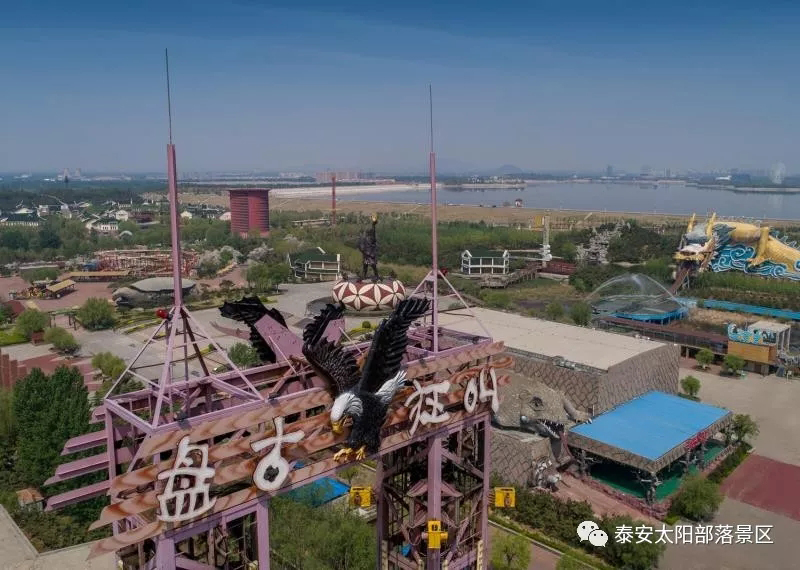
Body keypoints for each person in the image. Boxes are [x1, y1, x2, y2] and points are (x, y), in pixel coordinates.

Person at [358, 214, 380, 280]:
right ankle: (364, 276)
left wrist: (373, 225)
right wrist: (363, 251)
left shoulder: (372, 238)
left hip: (370, 255)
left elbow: (373, 231)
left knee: (373, 266)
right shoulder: (364, 239)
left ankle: (376, 275)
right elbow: (361, 246)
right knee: (365, 266)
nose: (368, 233)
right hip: (366, 255)